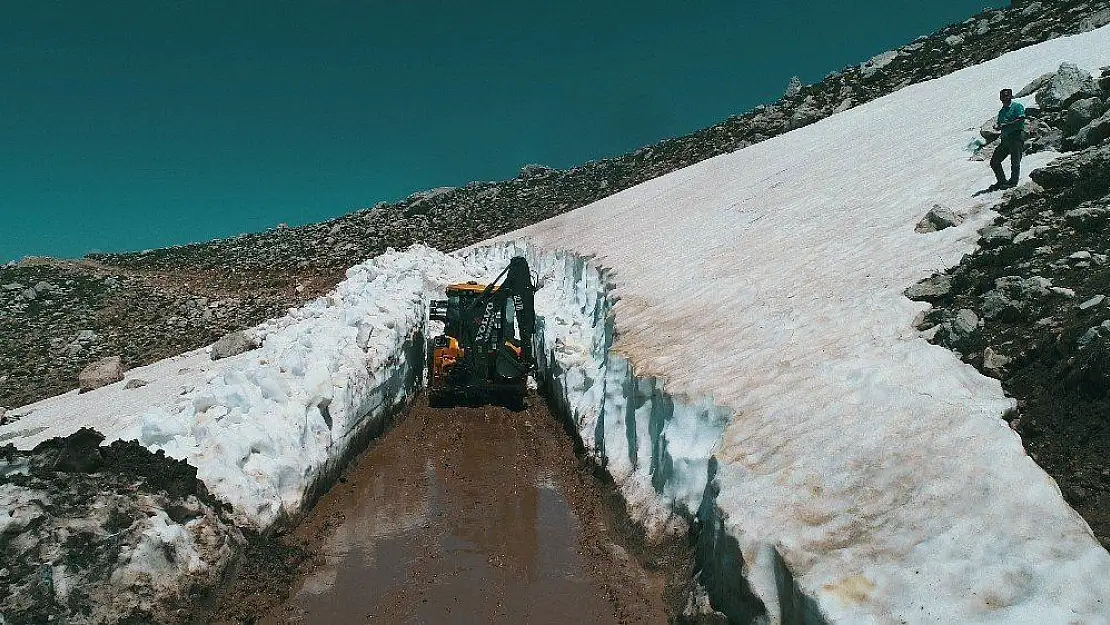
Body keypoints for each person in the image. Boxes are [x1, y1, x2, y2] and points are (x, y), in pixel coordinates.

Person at [990, 88, 1025, 190]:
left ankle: (1013, 182)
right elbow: (1001, 125)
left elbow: (1021, 119)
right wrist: (998, 126)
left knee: (1015, 161)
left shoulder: (1017, 106)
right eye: (1002, 96)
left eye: (1006, 96)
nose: (1004, 98)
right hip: (1005, 139)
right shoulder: (1002, 111)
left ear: (1011, 96)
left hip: (1016, 136)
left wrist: (1006, 125)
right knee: (994, 161)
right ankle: (1001, 181)